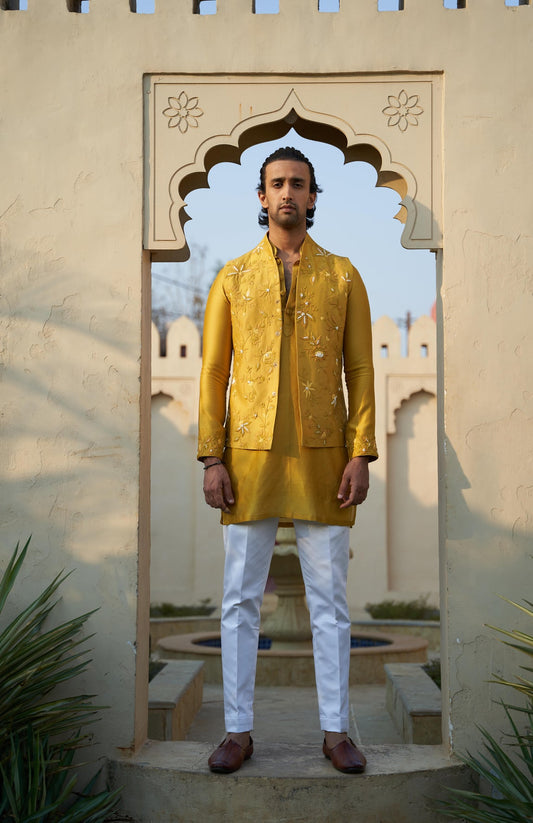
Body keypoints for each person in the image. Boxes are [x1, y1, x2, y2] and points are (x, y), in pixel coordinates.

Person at [197, 146, 378, 774]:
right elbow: (215, 370)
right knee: (239, 598)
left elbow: (359, 369)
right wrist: (211, 457)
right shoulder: (233, 277)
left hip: (324, 457)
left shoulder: (344, 275)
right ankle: (238, 733)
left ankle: (335, 732)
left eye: (298, 184)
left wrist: (361, 452)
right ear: (260, 197)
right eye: (277, 184)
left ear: (313, 196)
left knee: (330, 601)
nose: (287, 194)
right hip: (248, 457)